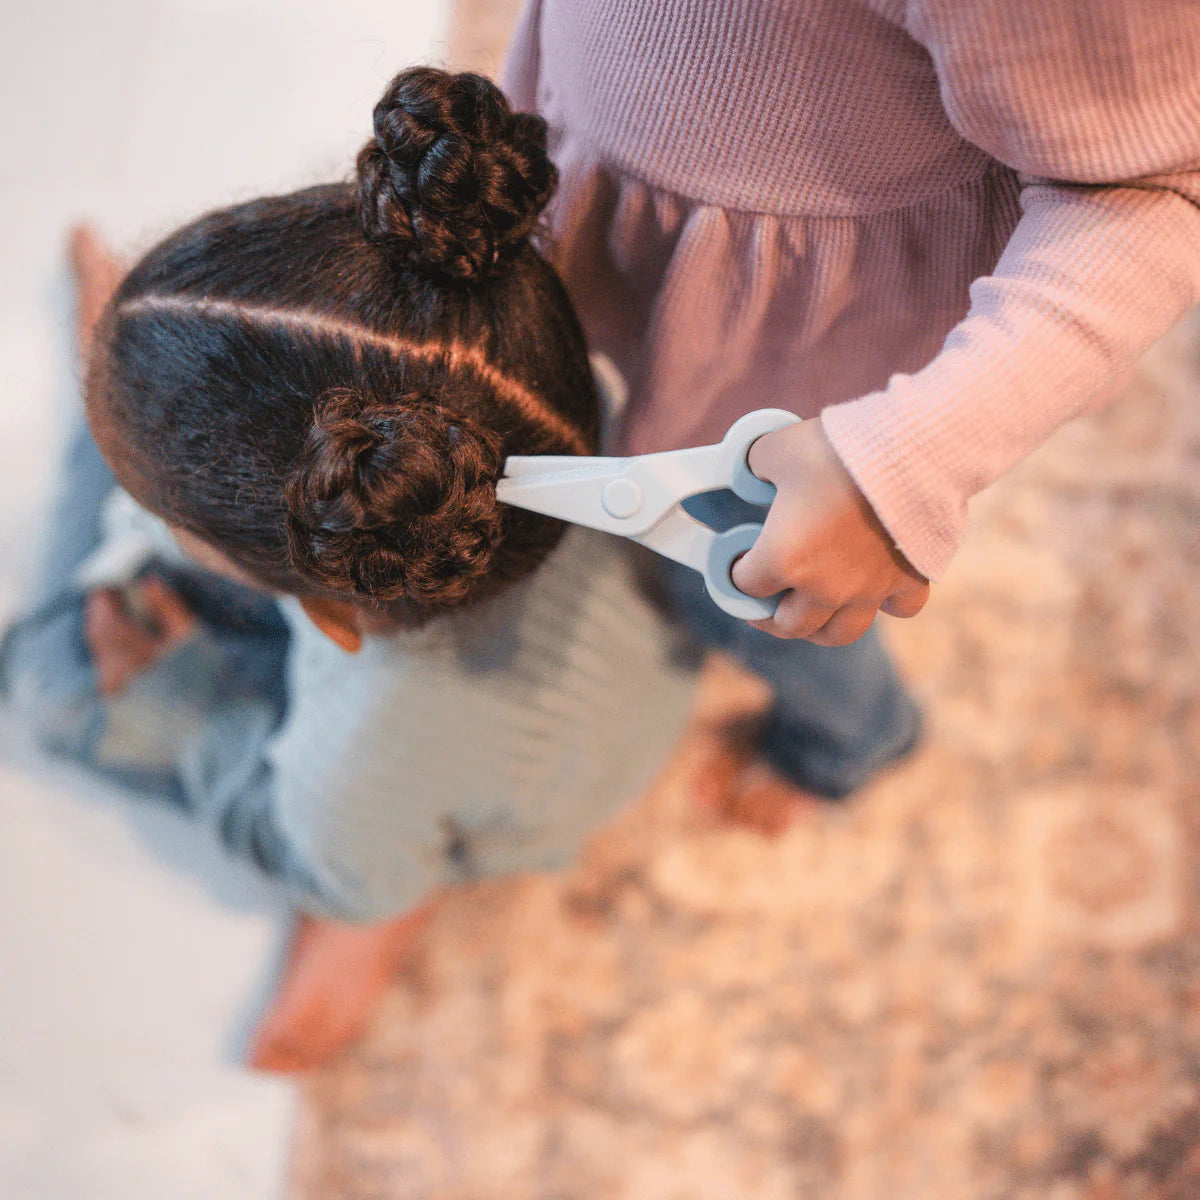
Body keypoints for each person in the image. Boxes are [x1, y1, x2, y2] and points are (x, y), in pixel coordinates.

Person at [1, 67, 709, 1072]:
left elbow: (316, 832)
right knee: (151, 448)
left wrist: (193, 696)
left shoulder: (349, 775)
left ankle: (380, 909)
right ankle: (130, 407)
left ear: (330, 616)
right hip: (524, 661)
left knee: (47, 681)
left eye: (167, 511)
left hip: (425, 779)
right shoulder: (533, 396)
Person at [501, 0, 1200, 798]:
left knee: (763, 591)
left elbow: (1153, 190)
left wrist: (897, 468)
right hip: (613, 223)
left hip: (809, 374)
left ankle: (853, 746)